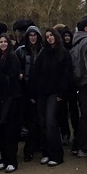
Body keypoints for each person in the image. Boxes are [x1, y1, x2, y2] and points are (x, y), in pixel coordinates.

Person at [28, 27, 73, 166]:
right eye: (47, 36)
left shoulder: (63, 53)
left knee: (51, 121)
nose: (49, 38)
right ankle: (46, 152)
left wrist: (62, 92)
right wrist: (32, 92)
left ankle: (57, 155)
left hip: (55, 93)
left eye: (51, 35)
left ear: (56, 36)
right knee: (43, 123)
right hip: (41, 92)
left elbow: (67, 74)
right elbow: (35, 72)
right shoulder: (44, 53)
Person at [0, 33, 24, 172]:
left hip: (11, 98)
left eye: (5, 42)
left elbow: (13, 76)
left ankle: (12, 160)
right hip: (0, 98)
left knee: (10, 130)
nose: (3, 44)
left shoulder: (12, 56)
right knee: (1, 130)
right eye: (0, 42)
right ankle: (4, 158)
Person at [70, 16, 87, 157]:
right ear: (85, 28)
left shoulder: (76, 41)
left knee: (84, 115)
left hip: (79, 82)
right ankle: (84, 147)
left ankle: (78, 144)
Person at [16, 24, 44, 161]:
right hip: (24, 88)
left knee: (37, 119)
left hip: (39, 88)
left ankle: (32, 148)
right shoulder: (20, 50)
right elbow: (16, 66)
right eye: (30, 35)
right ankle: (30, 148)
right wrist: (20, 73)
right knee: (27, 119)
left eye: (35, 35)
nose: (33, 38)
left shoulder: (43, 50)